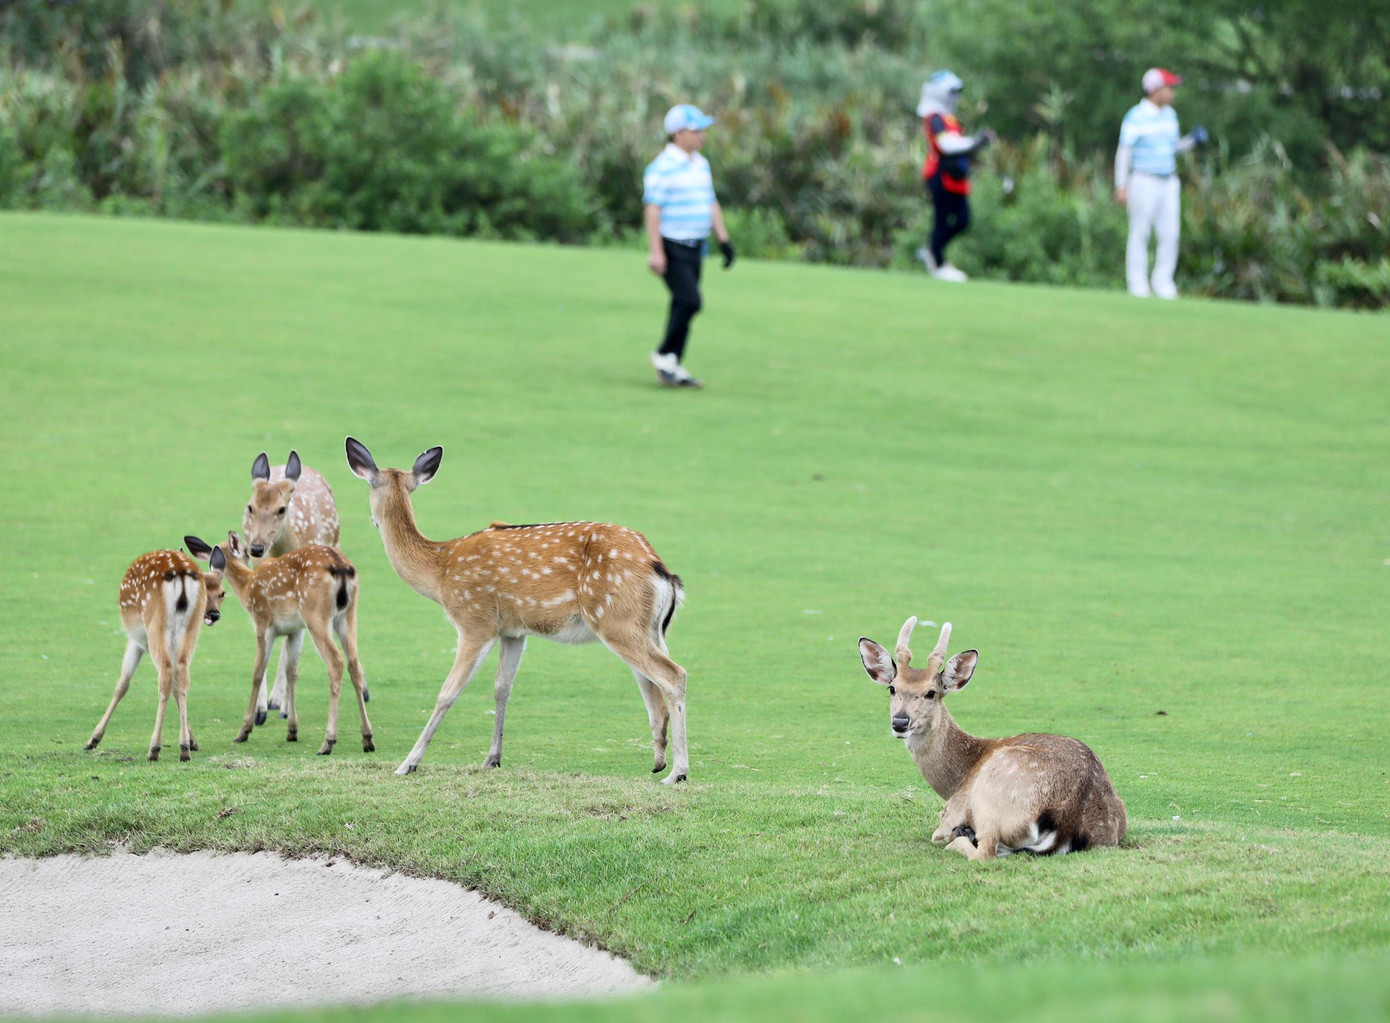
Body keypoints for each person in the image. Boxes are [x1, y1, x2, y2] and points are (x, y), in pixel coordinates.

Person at [643, 103, 734, 389]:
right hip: (672, 246)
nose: (702, 136)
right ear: (678, 134)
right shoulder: (661, 167)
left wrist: (724, 239)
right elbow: (652, 210)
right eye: (696, 131)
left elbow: (710, 202)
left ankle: (672, 362)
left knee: (682, 304)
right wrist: (656, 251)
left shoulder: (701, 164)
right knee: (691, 301)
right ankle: (663, 354)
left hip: (697, 246)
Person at [1114, 68, 1208, 299]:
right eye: (1169, 87)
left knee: (1170, 233)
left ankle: (1163, 283)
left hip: (1168, 181)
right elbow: (1124, 152)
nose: (1173, 92)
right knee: (1140, 232)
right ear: (1155, 90)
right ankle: (1138, 285)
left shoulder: (1170, 116)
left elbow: (1172, 147)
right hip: (1144, 179)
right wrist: (1121, 185)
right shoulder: (1135, 116)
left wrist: (1192, 141)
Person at [914, 70, 993, 283]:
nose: (956, 97)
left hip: (957, 177)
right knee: (942, 220)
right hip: (940, 175)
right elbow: (946, 145)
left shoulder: (949, 118)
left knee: (963, 220)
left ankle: (933, 251)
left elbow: (959, 147)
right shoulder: (935, 118)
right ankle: (937, 261)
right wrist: (974, 142)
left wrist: (976, 147)